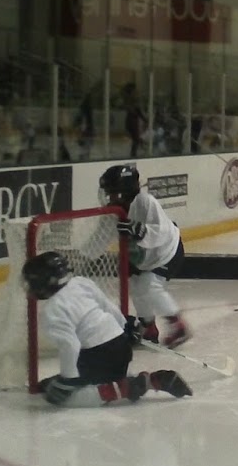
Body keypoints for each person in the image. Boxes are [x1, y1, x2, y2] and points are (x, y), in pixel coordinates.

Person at [23, 251, 191, 406]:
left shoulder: (52, 310)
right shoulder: (81, 282)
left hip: (99, 356)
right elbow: (108, 307)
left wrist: (68, 381)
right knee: (69, 382)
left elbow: (70, 345)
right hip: (121, 347)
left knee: (64, 398)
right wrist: (126, 328)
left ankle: (134, 385)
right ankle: (126, 381)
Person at [99, 163, 191, 348]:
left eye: (113, 193)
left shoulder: (145, 201)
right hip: (142, 257)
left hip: (166, 252)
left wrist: (140, 231)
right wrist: (83, 255)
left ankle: (178, 326)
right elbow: (100, 236)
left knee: (150, 285)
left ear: (124, 191)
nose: (110, 198)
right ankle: (149, 327)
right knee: (136, 286)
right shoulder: (114, 211)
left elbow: (162, 231)